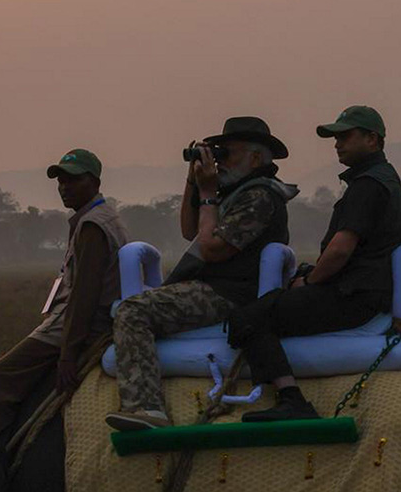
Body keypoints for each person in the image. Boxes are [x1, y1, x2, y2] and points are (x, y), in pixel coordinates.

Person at [105, 117, 299, 431]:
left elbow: (210, 249)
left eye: (228, 153)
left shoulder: (261, 197)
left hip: (232, 293)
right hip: (215, 286)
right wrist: (194, 182)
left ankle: (147, 409)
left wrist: (208, 192)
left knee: (133, 310)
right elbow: (188, 230)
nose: (220, 161)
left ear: (255, 157)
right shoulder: (237, 191)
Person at [230, 105, 401, 421]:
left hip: (354, 295)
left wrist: (311, 280)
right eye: (336, 137)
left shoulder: (368, 184)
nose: (337, 143)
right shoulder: (381, 179)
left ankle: (291, 400)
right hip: (364, 291)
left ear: (373, 139)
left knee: (250, 317)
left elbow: (340, 250)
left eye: (345, 136)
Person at [0, 149, 129, 437]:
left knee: (1, 375)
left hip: (78, 325)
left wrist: (68, 355)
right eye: (60, 181)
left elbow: (84, 296)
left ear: (95, 182)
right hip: (75, 319)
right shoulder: (102, 217)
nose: (64, 188)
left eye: (73, 180)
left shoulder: (92, 226)